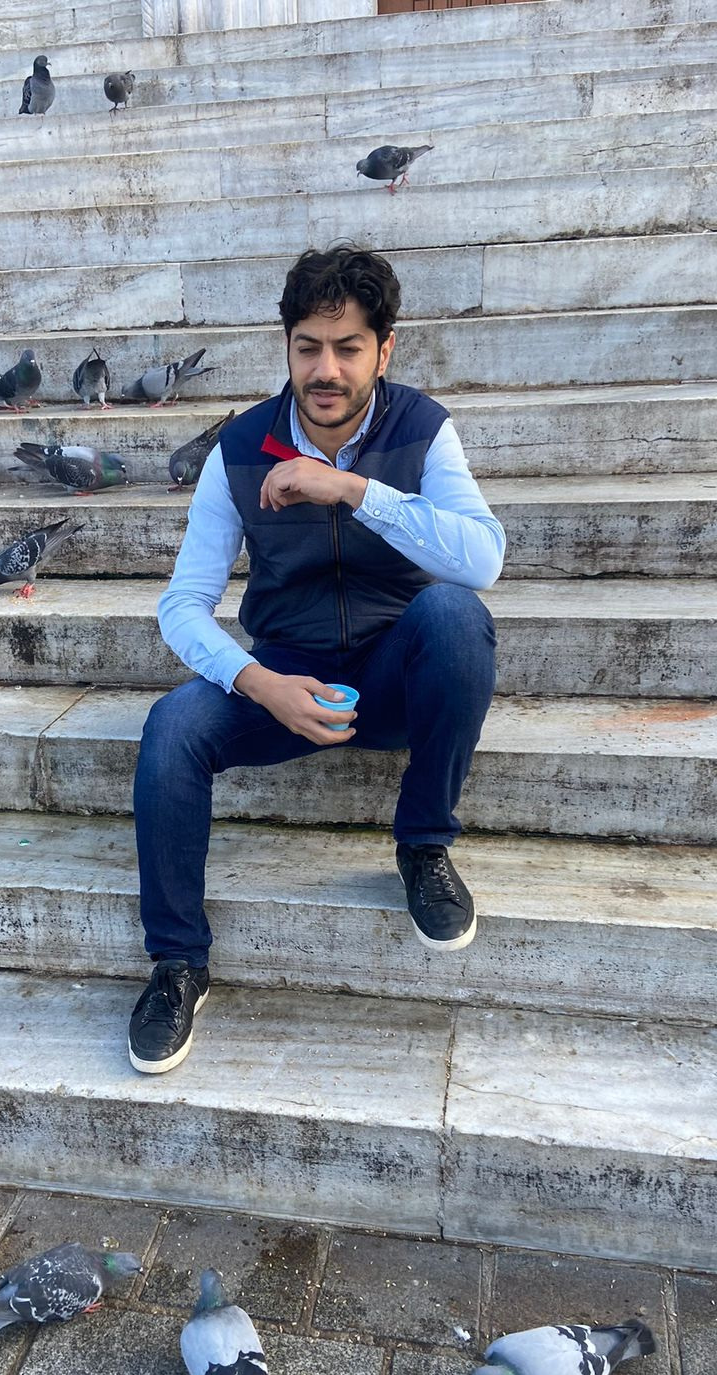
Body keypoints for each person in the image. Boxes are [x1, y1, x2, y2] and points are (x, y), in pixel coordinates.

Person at [129, 243, 505, 1074]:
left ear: (384, 350)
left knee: (454, 613)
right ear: (288, 347)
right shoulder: (238, 449)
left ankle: (423, 846)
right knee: (172, 728)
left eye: (348, 348)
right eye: (308, 347)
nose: (325, 370)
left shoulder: (421, 428)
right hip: (288, 680)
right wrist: (258, 683)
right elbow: (182, 605)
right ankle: (178, 962)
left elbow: (484, 558)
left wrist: (352, 488)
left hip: (396, 676)